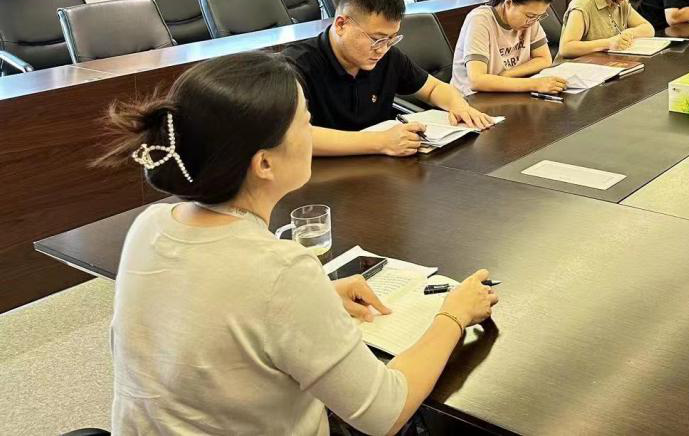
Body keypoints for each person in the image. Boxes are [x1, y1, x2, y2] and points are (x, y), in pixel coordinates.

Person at [100, 52, 498, 435]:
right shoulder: (281, 270)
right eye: (306, 124)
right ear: (264, 164)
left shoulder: (150, 224)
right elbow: (385, 414)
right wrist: (453, 316)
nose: (313, 134)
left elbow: (211, 311)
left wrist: (317, 297)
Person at [285, 0, 495, 159]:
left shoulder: (386, 56)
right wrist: (381, 142)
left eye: (391, 39)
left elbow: (432, 88)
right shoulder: (295, 66)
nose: (382, 49)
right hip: (323, 176)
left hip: (381, 167)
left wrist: (458, 105)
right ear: (341, 25)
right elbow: (293, 137)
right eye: (376, 39)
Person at [451, 0, 564, 95]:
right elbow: (476, 81)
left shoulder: (531, 20)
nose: (533, 22)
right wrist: (534, 84)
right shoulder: (480, 20)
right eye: (530, 16)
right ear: (508, 3)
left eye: (539, 16)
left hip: (507, 91)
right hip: (472, 98)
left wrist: (507, 74)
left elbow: (544, 59)